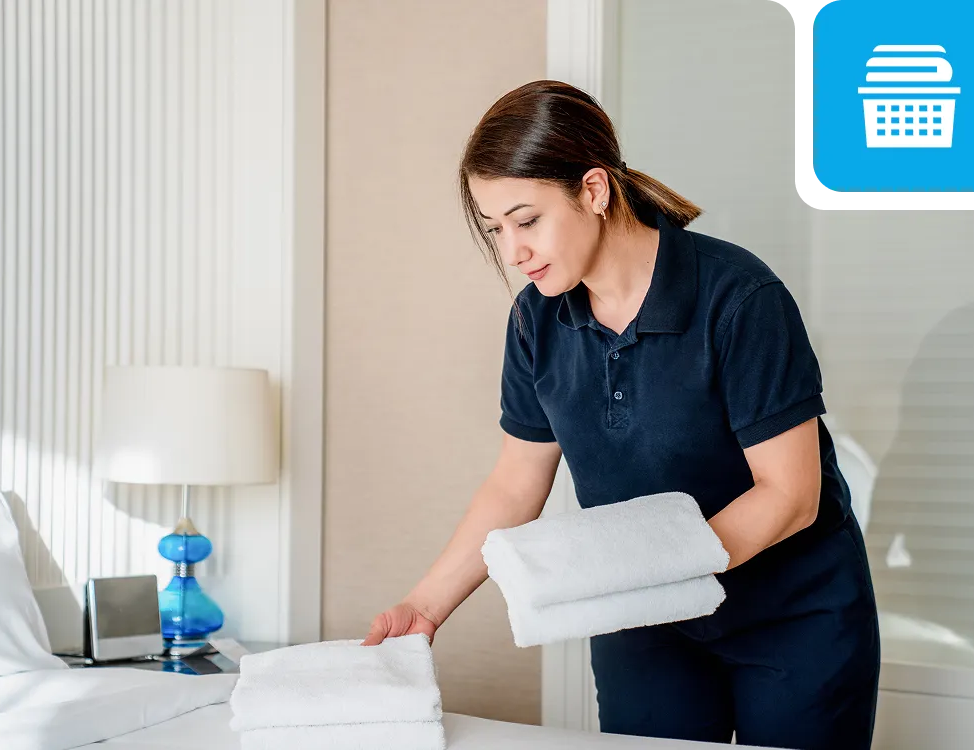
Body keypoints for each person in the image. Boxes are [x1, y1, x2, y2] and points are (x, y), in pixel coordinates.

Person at [362, 80, 880, 749]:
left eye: (527, 220)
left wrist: (642, 569)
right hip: (645, 617)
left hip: (792, 617)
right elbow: (516, 482)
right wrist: (424, 607)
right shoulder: (537, 319)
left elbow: (792, 496)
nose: (512, 252)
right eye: (496, 229)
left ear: (594, 190)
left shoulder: (740, 299)